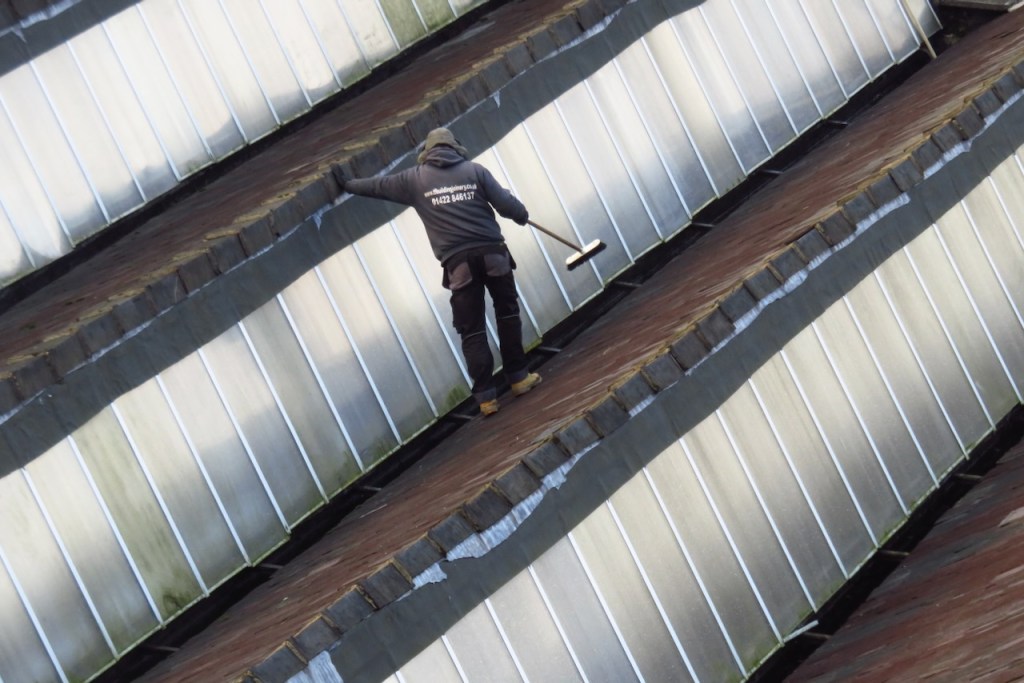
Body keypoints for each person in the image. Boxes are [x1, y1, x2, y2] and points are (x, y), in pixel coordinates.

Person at [339, 127, 541, 417]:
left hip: (459, 267)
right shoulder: (475, 171)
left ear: (426, 152)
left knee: (472, 331)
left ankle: (486, 399)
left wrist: (348, 185)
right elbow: (506, 205)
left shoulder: (414, 180)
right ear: (456, 147)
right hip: (493, 256)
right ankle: (519, 379)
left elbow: (377, 186)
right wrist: (521, 215)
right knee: (507, 314)